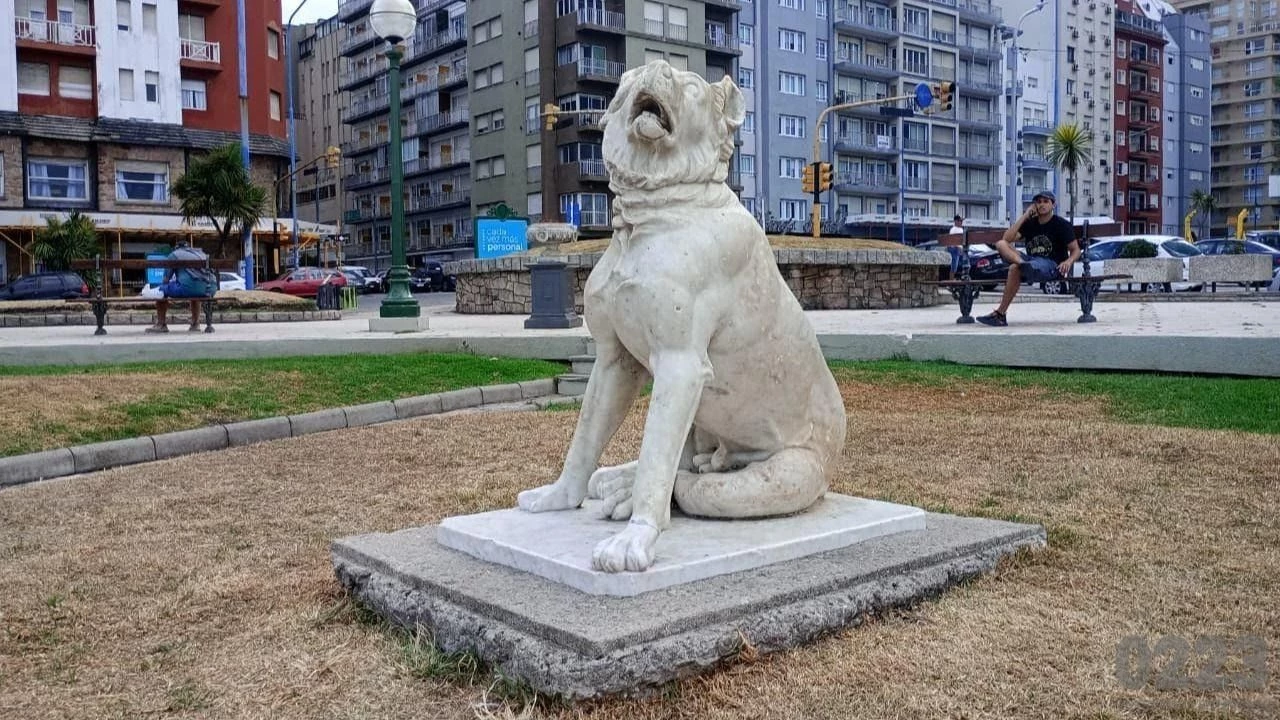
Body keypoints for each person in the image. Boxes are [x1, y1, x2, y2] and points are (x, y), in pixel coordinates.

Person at [976, 190, 1079, 327]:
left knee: (1015, 268)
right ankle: (1001, 315)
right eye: (1038, 202)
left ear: (1053, 205)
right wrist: (1025, 216)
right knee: (1001, 246)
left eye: (1046, 201)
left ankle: (1001, 311)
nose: (1042, 205)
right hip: (1030, 261)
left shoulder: (1061, 224)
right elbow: (1007, 238)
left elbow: (1076, 250)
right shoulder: (1030, 224)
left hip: (1051, 265)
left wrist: (1068, 261)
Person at [147, 241, 218, 333]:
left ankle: (161, 324)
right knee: (195, 292)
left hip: (190, 288)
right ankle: (195, 324)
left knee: (161, 289)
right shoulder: (201, 253)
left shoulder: (174, 255)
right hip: (210, 288)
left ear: (176, 248)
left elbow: (166, 280)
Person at [947, 214, 964, 280]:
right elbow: (952, 240)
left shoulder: (961, 229)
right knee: (954, 266)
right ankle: (951, 281)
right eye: (960, 221)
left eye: (961, 221)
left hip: (959, 249)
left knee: (958, 267)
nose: (961, 222)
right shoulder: (953, 229)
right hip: (955, 249)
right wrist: (958, 247)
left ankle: (954, 280)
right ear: (956, 221)